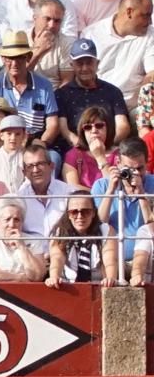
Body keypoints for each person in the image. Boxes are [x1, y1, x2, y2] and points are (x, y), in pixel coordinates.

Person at [56, 38, 132, 151]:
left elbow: (123, 126)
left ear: (97, 63)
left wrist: (107, 148)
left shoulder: (113, 91)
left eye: (89, 63)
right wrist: (84, 147)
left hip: (109, 149)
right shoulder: (61, 94)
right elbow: (64, 129)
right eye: (80, 63)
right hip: (76, 150)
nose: (85, 68)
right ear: (72, 65)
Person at [94, 137, 154, 274]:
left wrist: (141, 194)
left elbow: (151, 226)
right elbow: (99, 225)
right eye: (130, 169)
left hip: (147, 261)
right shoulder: (101, 185)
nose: (136, 173)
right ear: (118, 163)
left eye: (140, 168)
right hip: (110, 261)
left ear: (147, 162)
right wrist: (110, 190)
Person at [0, 198, 46, 282]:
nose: (12, 224)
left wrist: (22, 246)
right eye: (7, 219)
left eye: (16, 220)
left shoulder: (34, 242)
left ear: (22, 222)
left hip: (26, 292)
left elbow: (38, 276)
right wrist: (21, 278)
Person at [47, 191, 112, 285]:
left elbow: (110, 261)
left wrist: (110, 279)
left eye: (85, 212)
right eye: (74, 212)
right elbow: (57, 259)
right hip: (68, 285)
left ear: (93, 213)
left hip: (98, 283)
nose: (80, 216)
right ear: (68, 215)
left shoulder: (106, 231)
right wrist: (54, 277)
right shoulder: (60, 232)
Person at [64, 104, 116, 188]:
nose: (94, 130)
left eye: (99, 125)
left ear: (108, 128)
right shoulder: (74, 154)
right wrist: (98, 195)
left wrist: (100, 158)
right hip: (84, 200)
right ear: (82, 131)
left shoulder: (120, 155)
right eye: (88, 127)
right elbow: (72, 188)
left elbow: (116, 189)